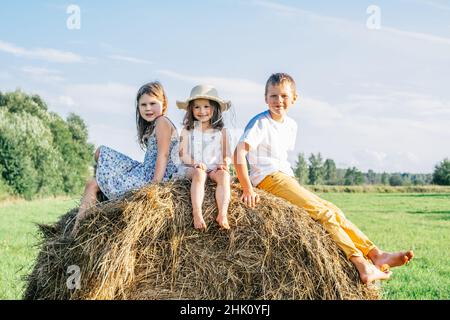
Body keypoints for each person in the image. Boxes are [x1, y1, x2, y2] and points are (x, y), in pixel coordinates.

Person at [233, 73, 414, 284]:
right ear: (265, 98)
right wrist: (247, 188)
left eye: (283, 96)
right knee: (324, 214)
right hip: (269, 179)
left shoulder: (291, 125)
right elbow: (239, 153)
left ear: (294, 99)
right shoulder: (260, 123)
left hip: (286, 178)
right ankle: (361, 265)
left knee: (335, 211)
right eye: (273, 96)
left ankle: (375, 254)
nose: (278, 101)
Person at [71, 81, 179, 236]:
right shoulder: (153, 125)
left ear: (164, 103)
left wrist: (155, 186)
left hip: (152, 177)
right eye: (143, 105)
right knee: (100, 152)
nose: (148, 108)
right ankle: (79, 228)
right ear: (138, 107)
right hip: (144, 171)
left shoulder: (162, 122)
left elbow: (163, 154)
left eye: (153, 103)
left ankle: (76, 233)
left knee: (92, 184)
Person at [176, 85, 232, 230]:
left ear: (214, 109)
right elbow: (183, 154)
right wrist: (195, 164)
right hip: (191, 168)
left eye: (206, 106)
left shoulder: (222, 132)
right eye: (197, 107)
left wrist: (225, 163)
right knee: (200, 174)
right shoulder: (187, 131)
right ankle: (197, 213)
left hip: (213, 168)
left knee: (224, 176)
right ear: (191, 110)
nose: (202, 111)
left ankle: (223, 213)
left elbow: (227, 154)